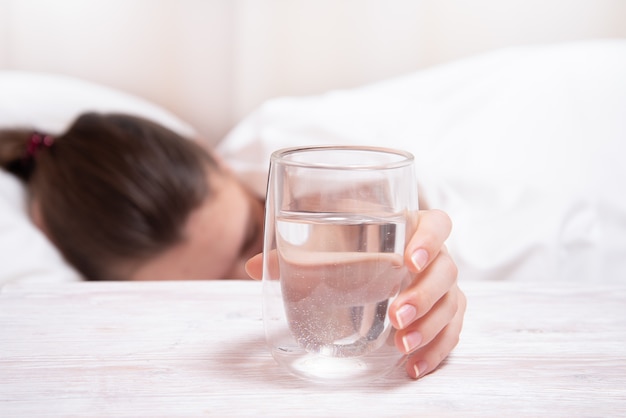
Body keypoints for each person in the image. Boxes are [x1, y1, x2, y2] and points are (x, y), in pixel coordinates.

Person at [0, 112, 466, 380]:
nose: (248, 272)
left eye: (250, 234)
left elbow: (383, 205)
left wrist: (413, 269)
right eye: (204, 284)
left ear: (215, 157)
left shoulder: (297, 147)